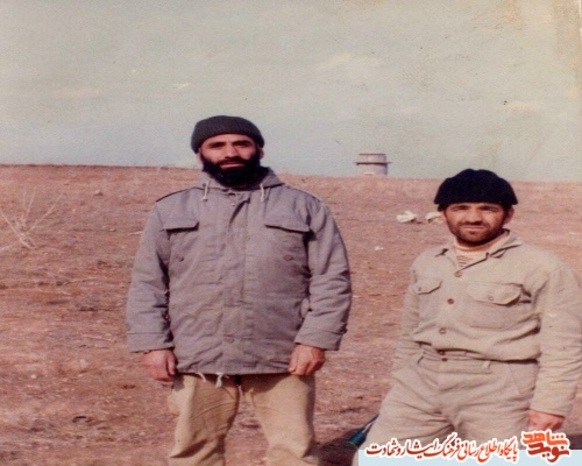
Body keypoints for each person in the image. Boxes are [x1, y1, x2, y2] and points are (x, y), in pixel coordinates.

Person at [126, 115, 352, 466]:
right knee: (194, 453)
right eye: (216, 145)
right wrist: (153, 344)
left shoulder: (304, 207)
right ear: (200, 154)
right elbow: (147, 282)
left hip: (281, 352)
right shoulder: (170, 209)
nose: (230, 152)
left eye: (241, 144)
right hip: (197, 351)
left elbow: (332, 279)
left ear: (259, 149)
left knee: (294, 452)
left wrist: (315, 340)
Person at [356, 169, 582, 461]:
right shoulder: (427, 262)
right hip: (420, 387)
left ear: (508, 215)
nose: (473, 217)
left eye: (488, 209)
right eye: (460, 208)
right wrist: (403, 384)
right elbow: (409, 334)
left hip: (501, 392)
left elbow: (564, 345)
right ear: (443, 214)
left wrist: (550, 406)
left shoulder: (543, 267)